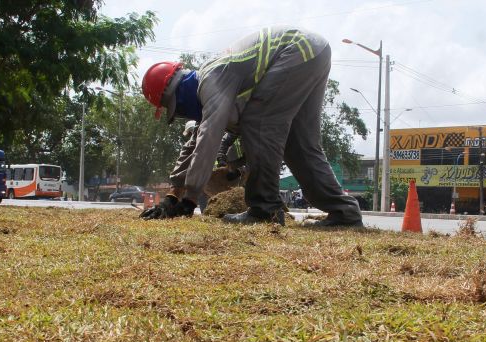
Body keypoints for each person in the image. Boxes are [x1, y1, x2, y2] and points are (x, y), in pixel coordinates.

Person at [139, 26, 363, 227]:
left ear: (177, 96)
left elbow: (208, 137)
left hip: (296, 50)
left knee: (258, 122)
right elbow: (196, 139)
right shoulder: (210, 85)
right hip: (314, 51)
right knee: (299, 144)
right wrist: (172, 195)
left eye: (175, 110)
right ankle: (344, 212)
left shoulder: (210, 79)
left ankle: (265, 209)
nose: (180, 115)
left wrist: (189, 200)